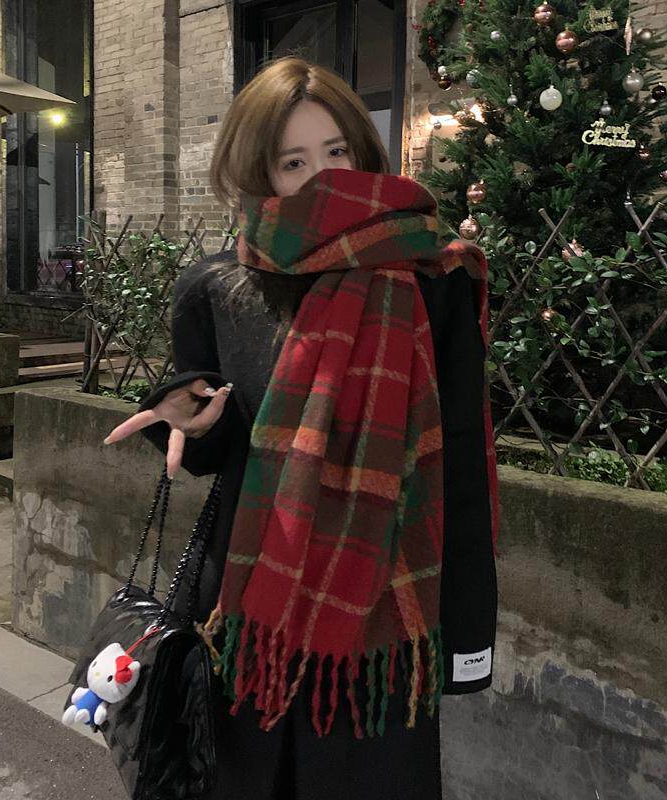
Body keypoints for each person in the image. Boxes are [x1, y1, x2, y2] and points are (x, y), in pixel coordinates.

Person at [103, 55, 498, 800]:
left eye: (335, 151)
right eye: (294, 162)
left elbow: (462, 466)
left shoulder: (433, 281)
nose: (321, 178)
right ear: (259, 173)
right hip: (247, 607)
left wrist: (467, 637)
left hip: (382, 622)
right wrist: (186, 421)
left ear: (364, 151)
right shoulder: (218, 285)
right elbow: (215, 453)